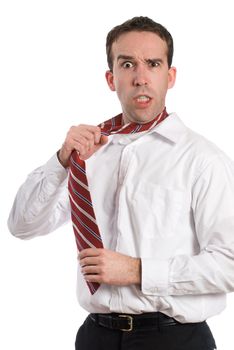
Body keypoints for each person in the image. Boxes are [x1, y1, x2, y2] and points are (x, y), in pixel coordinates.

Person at [8, 16, 234, 350]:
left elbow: (229, 264)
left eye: (153, 64)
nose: (140, 78)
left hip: (175, 339)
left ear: (170, 76)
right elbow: (22, 225)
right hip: (94, 336)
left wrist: (138, 270)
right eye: (127, 64)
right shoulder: (90, 154)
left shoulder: (202, 159)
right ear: (111, 78)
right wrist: (60, 161)